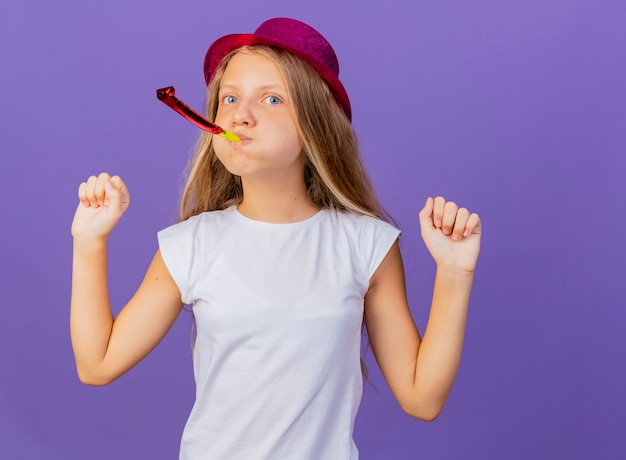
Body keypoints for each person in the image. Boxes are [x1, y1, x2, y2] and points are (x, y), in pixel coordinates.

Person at [70, 17, 481, 460]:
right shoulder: (190, 245)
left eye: (270, 99)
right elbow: (97, 364)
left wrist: (454, 272)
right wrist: (88, 242)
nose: (240, 114)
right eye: (229, 98)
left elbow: (422, 399)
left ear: (314, 126)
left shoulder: (366, 246)